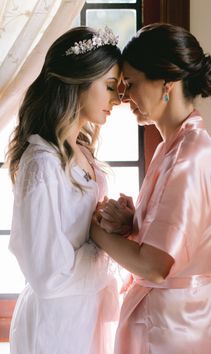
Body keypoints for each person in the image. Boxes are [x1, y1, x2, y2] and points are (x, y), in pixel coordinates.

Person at [90, 23, 211, 354]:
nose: (123, 97)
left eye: (132, 84)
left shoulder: (190, 156)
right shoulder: (176, 146)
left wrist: (93, 231)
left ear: (166, 84)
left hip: (173, 329)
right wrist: (133, 223)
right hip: (176, 319)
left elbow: (154, 265)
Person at [7, 26, 121, 354]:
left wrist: (116, 221)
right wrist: (108, 249)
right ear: (79, 81)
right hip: (55, 325)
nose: (115, 99)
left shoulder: (83, 150)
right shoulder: (41, 162)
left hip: (88, 313)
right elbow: (48, 274)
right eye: (110, 86)